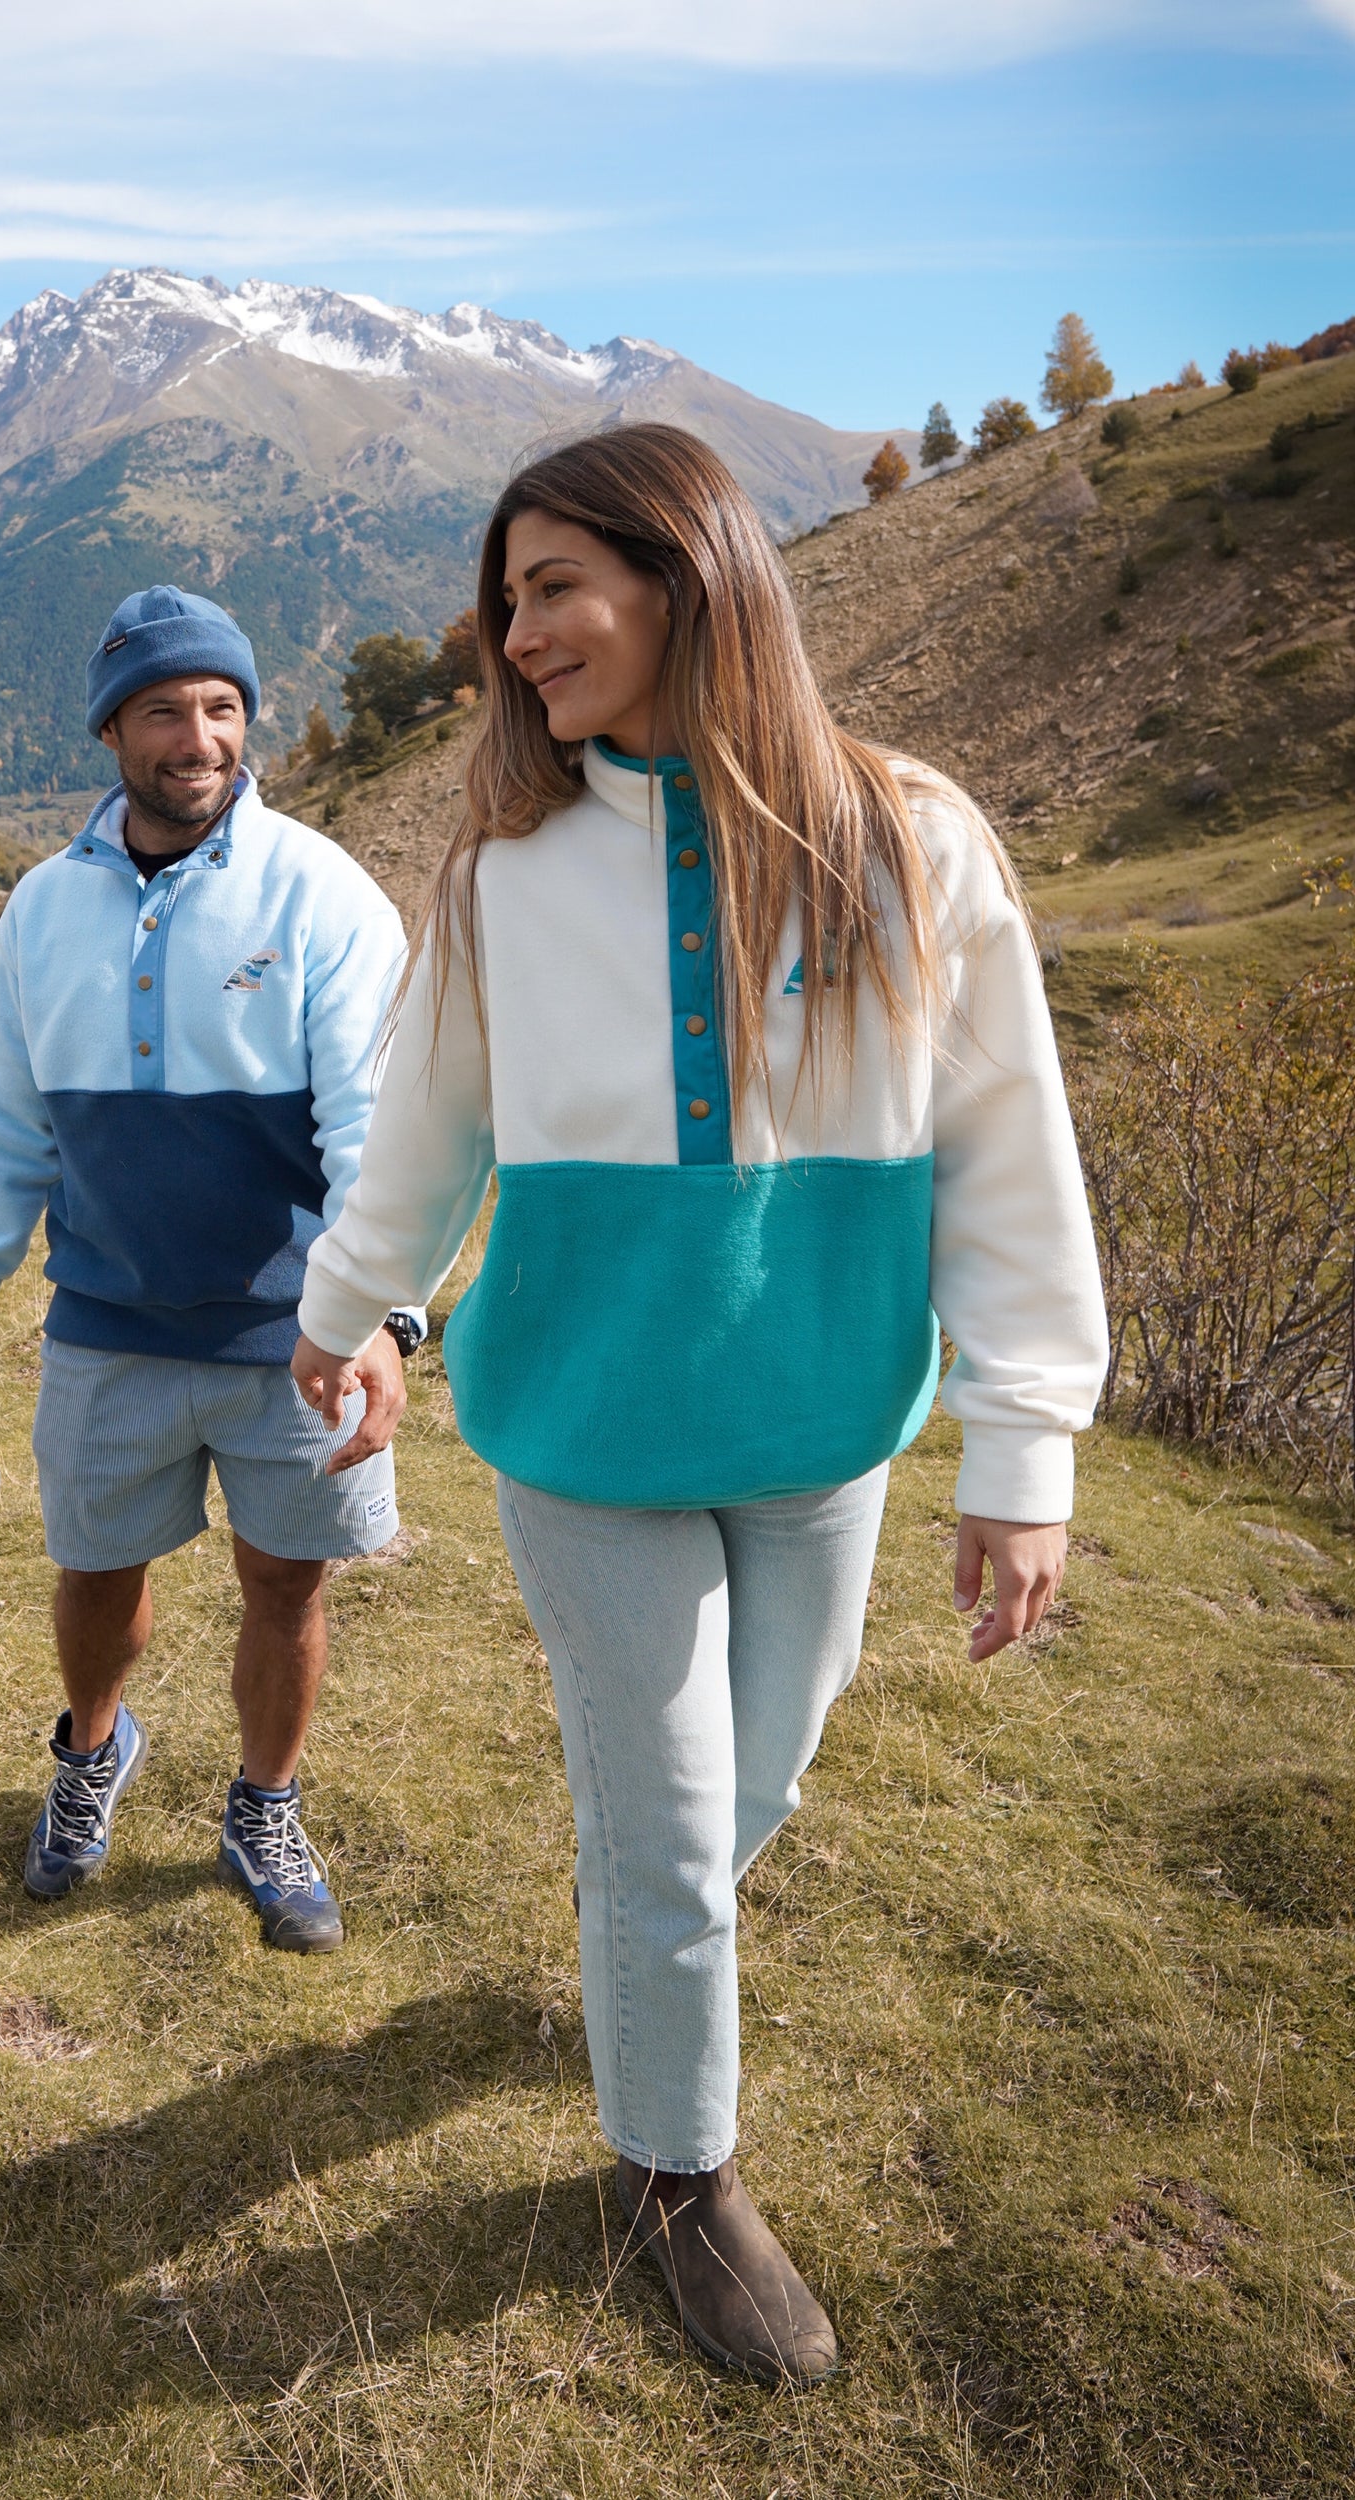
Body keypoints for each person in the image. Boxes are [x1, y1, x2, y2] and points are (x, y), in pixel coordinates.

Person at [290, 428, 1108, 2378]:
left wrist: (1026, 1445)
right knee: (662, 1825)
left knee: (762, 1774)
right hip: (579, 1425)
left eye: (555, 583)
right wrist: (360, 1308)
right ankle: (679, 2173)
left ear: (691, 576)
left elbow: (1006, 1150)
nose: (516, 630)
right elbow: (424, 1127)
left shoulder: (914, 840)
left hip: (826, 1423)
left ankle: (643, 1959)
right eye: (505, 598)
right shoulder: (498, 872)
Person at [0, 584, 421, 1953]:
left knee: (287, 1582)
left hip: (295, 1340)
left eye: (222, 708)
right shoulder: (42, 911)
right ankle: (94, 1748)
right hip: (107, 1326)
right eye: (164, 710)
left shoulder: (322, 894)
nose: (198, 738)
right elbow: (2, 1123)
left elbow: (377, 1127)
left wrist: (376, 1317)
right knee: (94, 1574)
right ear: (112, 731)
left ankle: (265, 1802)